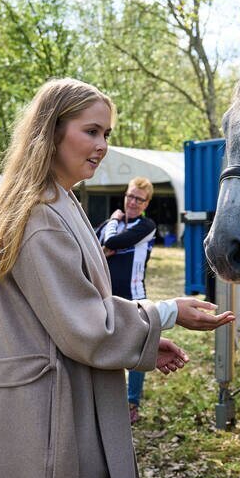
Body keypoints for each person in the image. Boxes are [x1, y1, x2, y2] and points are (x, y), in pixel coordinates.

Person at [0, 78, 234, 478]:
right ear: (51, 129)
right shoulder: (40, 216)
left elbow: (75, 313)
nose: (102, 145)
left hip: (60, 399)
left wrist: (142, 342)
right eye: (91, 130)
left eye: (107, 132)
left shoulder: (58, 202)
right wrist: (165, 313)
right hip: (45, 416)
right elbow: (84, 325)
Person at [95, 177, 157, 423]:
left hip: (135, 299)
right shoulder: (110, 225)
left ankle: (132, 403)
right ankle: (109, 402)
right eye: (130, 196)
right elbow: (92, 252)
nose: (132, 202)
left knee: (136, 353)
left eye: (139, 199)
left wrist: (112, 225)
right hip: (106, 299)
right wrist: (104, 246)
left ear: (146, 203)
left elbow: (111, 242)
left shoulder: (147, 226)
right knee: (108, 351)